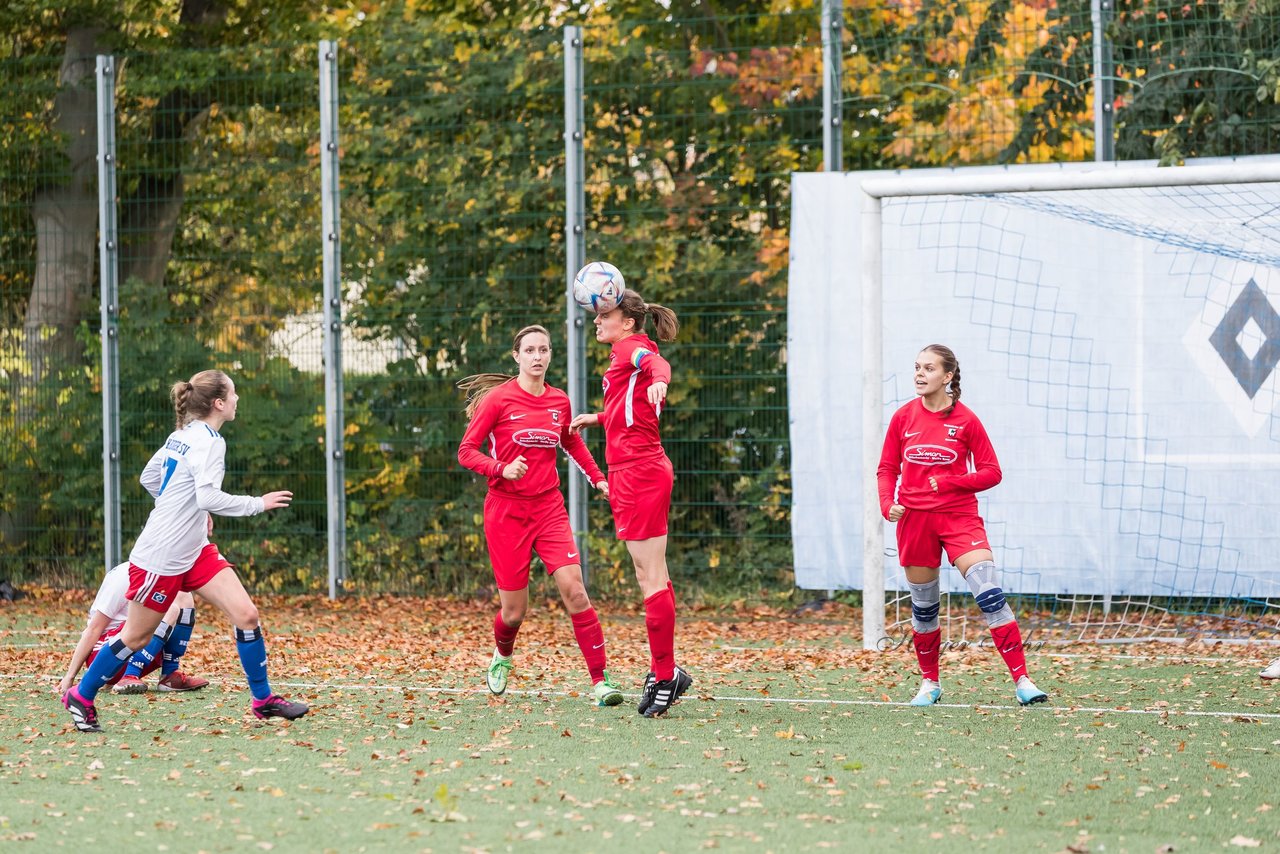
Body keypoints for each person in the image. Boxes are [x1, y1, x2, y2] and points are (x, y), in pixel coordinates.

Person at [62, 370, 307, 733]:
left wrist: (186, 509)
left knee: (247, 615)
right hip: (160, 555)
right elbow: (205, 495)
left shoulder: (182, 435)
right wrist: (257, 503)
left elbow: (150, 478)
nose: (238, 400)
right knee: (135, 637)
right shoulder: (209, 442)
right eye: (234, 394)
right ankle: (81, 696)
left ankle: (262, 700)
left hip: (194, 550)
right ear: (218, 403)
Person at [457, 325, 623, 707]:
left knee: (576, 592)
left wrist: (598, 479)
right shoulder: (498, 400)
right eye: (529, 350)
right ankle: (502, 657)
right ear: (517, 356)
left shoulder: (559, 401)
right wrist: (500, 469)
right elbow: (467, 451)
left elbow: (570, 441)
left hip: (548, 508)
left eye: (543, 349)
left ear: (550, 355)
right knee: (514, 613)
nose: (537, 356)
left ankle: (601, 682)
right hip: (506, 512)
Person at [876, 344, 1048, 707]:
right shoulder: (903, 418)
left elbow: (992, 472)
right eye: (916, 367)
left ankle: (1023, 681)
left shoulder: (966, 420)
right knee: (924, 608)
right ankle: (929, 684)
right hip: (914, 521)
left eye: (929, 368)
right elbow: (887, 468)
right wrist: (887, 503)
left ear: (948, 376)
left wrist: (952, 482)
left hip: (959, 517)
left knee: (989, 593)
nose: (920, 375)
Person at [570, 290, 692, 718]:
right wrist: (597, 418)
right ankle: (665, 669)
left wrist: (661, 379)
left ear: (627, 322)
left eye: (605, 314)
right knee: (649, 572)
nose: (597, 320)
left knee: (651, 576)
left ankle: (665, 675)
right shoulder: (623, 354)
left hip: (641, 472)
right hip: (631, 471)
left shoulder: (632, 347)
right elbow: (630, 411)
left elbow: (656, 364)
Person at [57, 562, 208, 698]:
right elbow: (93, 629)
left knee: (184, 596)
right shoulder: (122, 577)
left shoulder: (165, 573)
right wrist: (69, 677)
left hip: (140, 647)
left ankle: (169, 675)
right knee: (168, 609)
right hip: (105, 655)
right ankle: (129, 675)